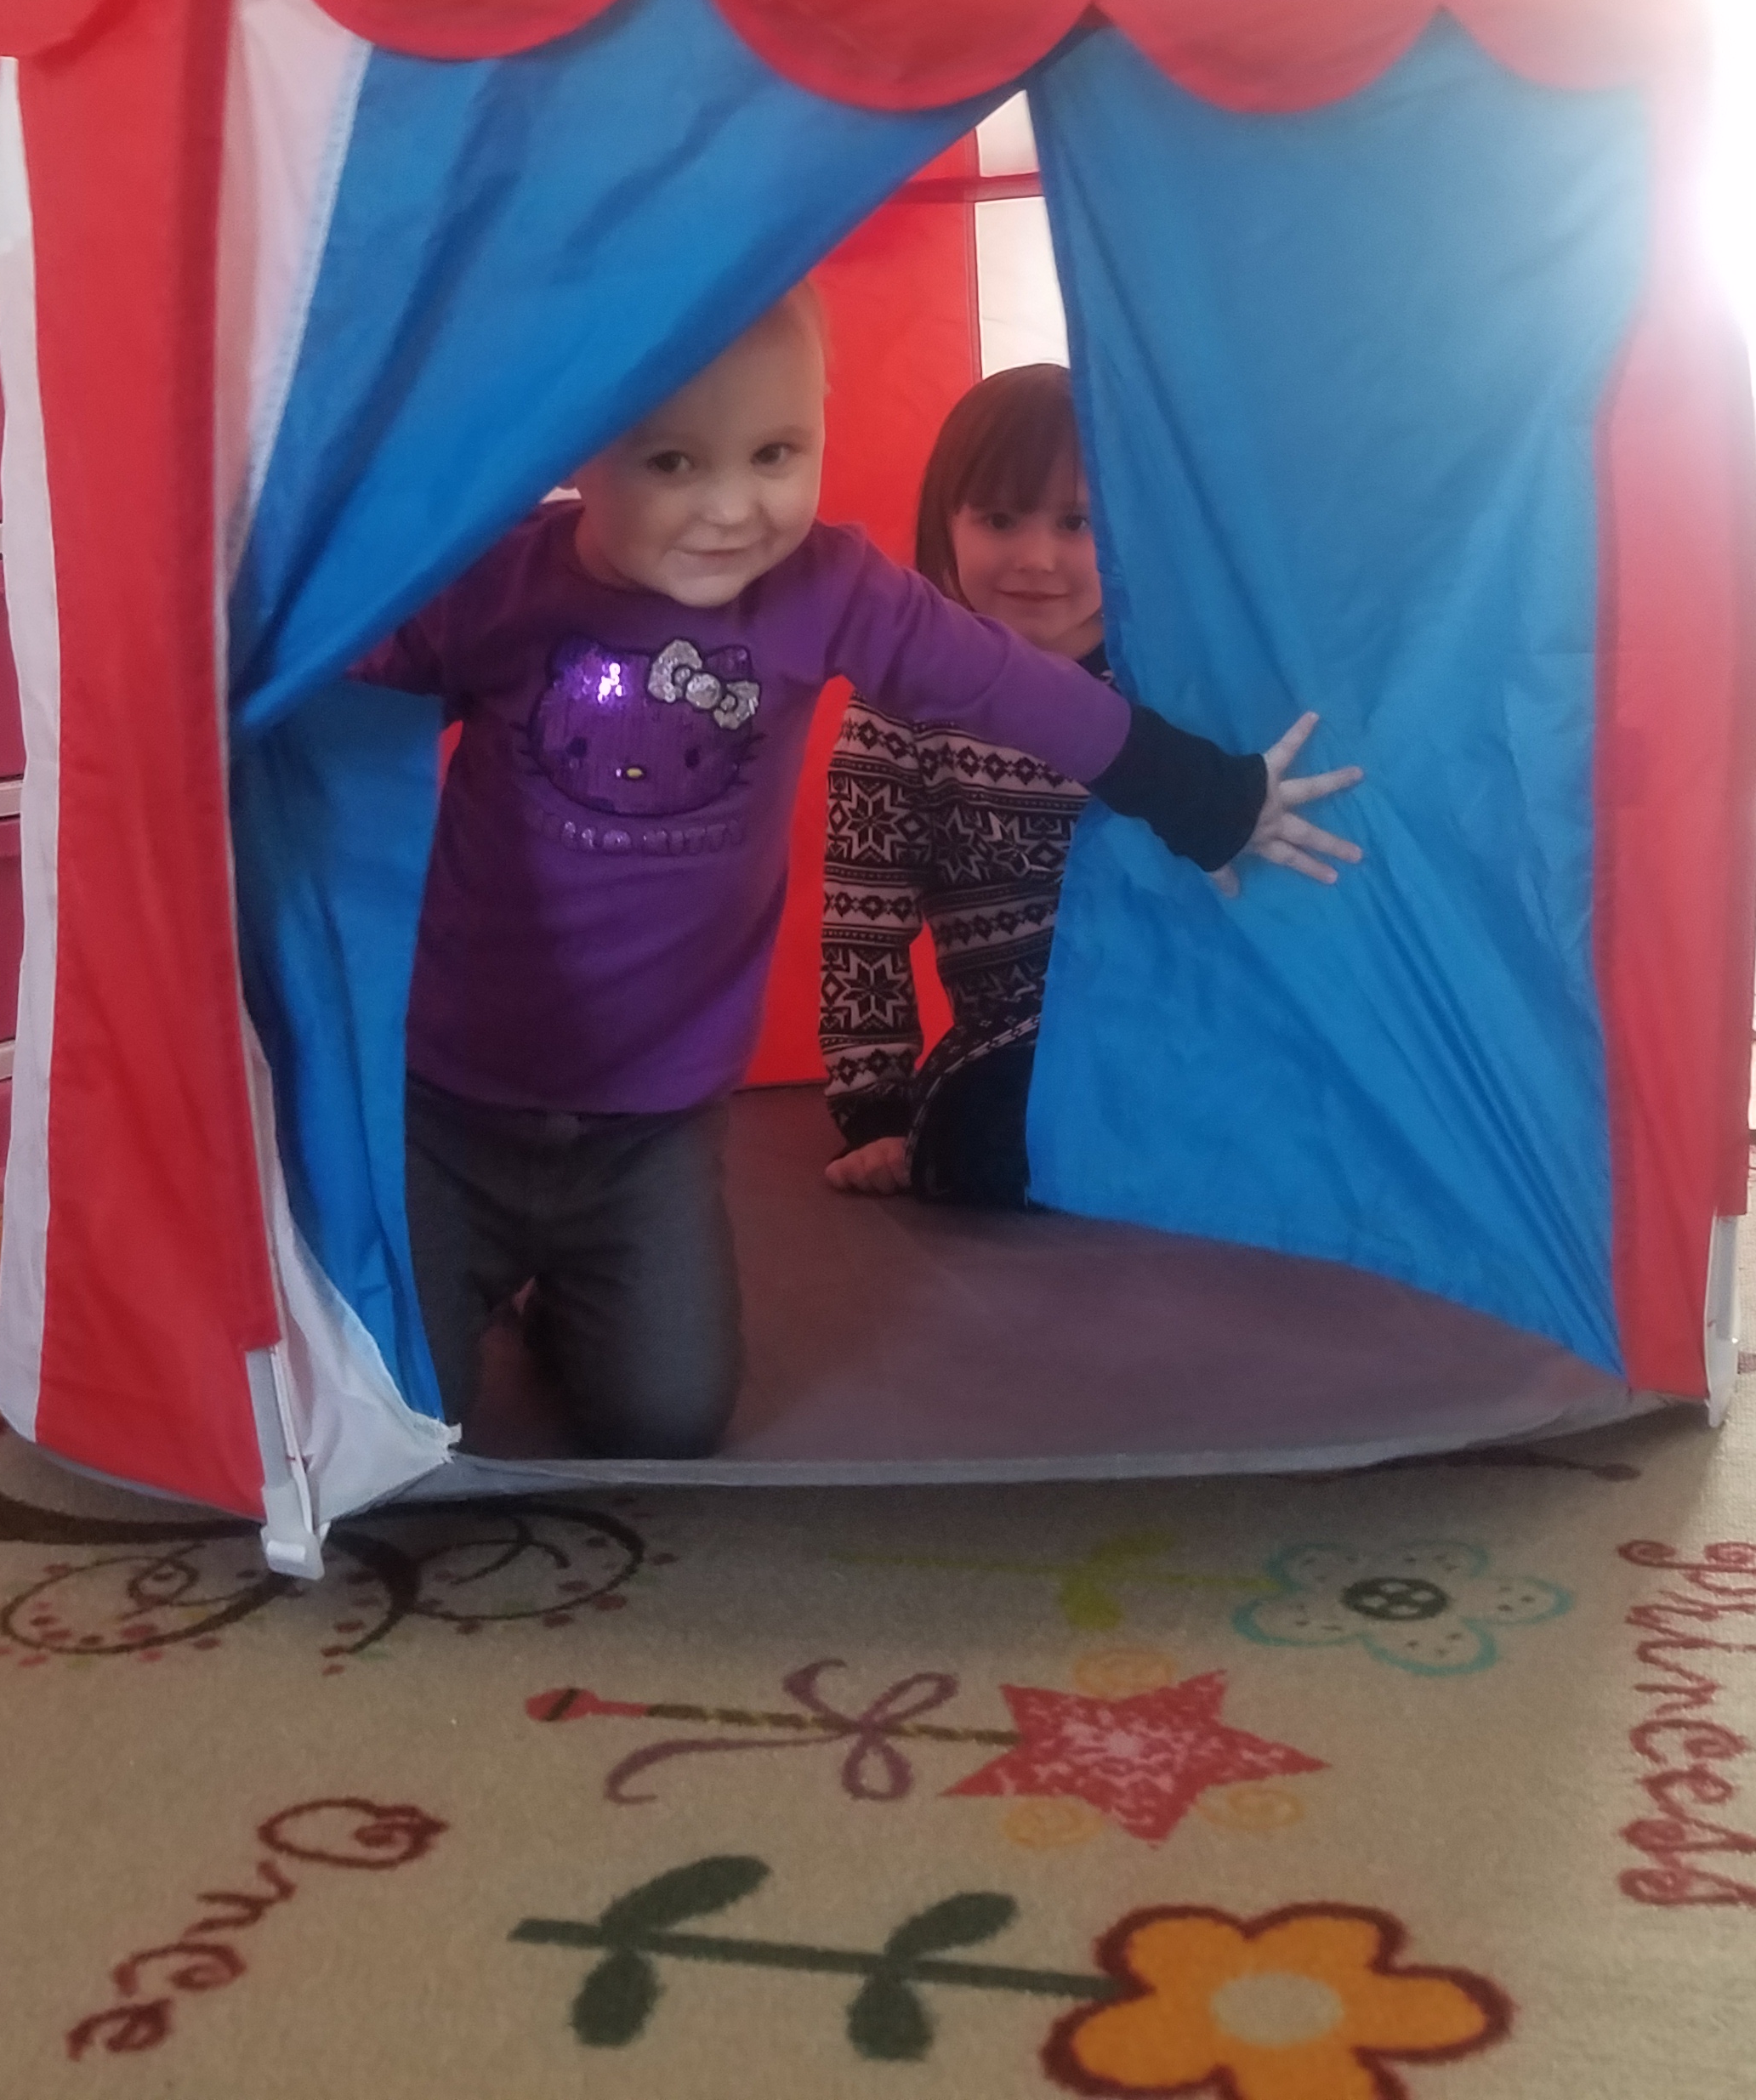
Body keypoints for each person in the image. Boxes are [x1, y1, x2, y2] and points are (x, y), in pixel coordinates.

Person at [355, 292, 1361, 1458]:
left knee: (666, 1420)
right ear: (574, 447)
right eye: (672, 462)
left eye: (777, 454)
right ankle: (473, 1288)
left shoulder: (823, 587)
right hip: (447, 1104)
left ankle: (568, 1296)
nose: (733, 507)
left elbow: (1008, 684)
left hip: (652, 1126)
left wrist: (1206, 795)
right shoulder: (496, 584)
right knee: (402, 1418)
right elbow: (323, 678)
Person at [819, 363, 1123, 1209]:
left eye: (1077, 523)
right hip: (1019, 1041)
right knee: (983, 1133)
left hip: (1168, 1020)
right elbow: (864, 919)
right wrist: (874, 1112)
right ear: (944, 524)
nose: (1037, 558)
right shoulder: (904, 705)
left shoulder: (1166, 685)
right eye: (998, 519)